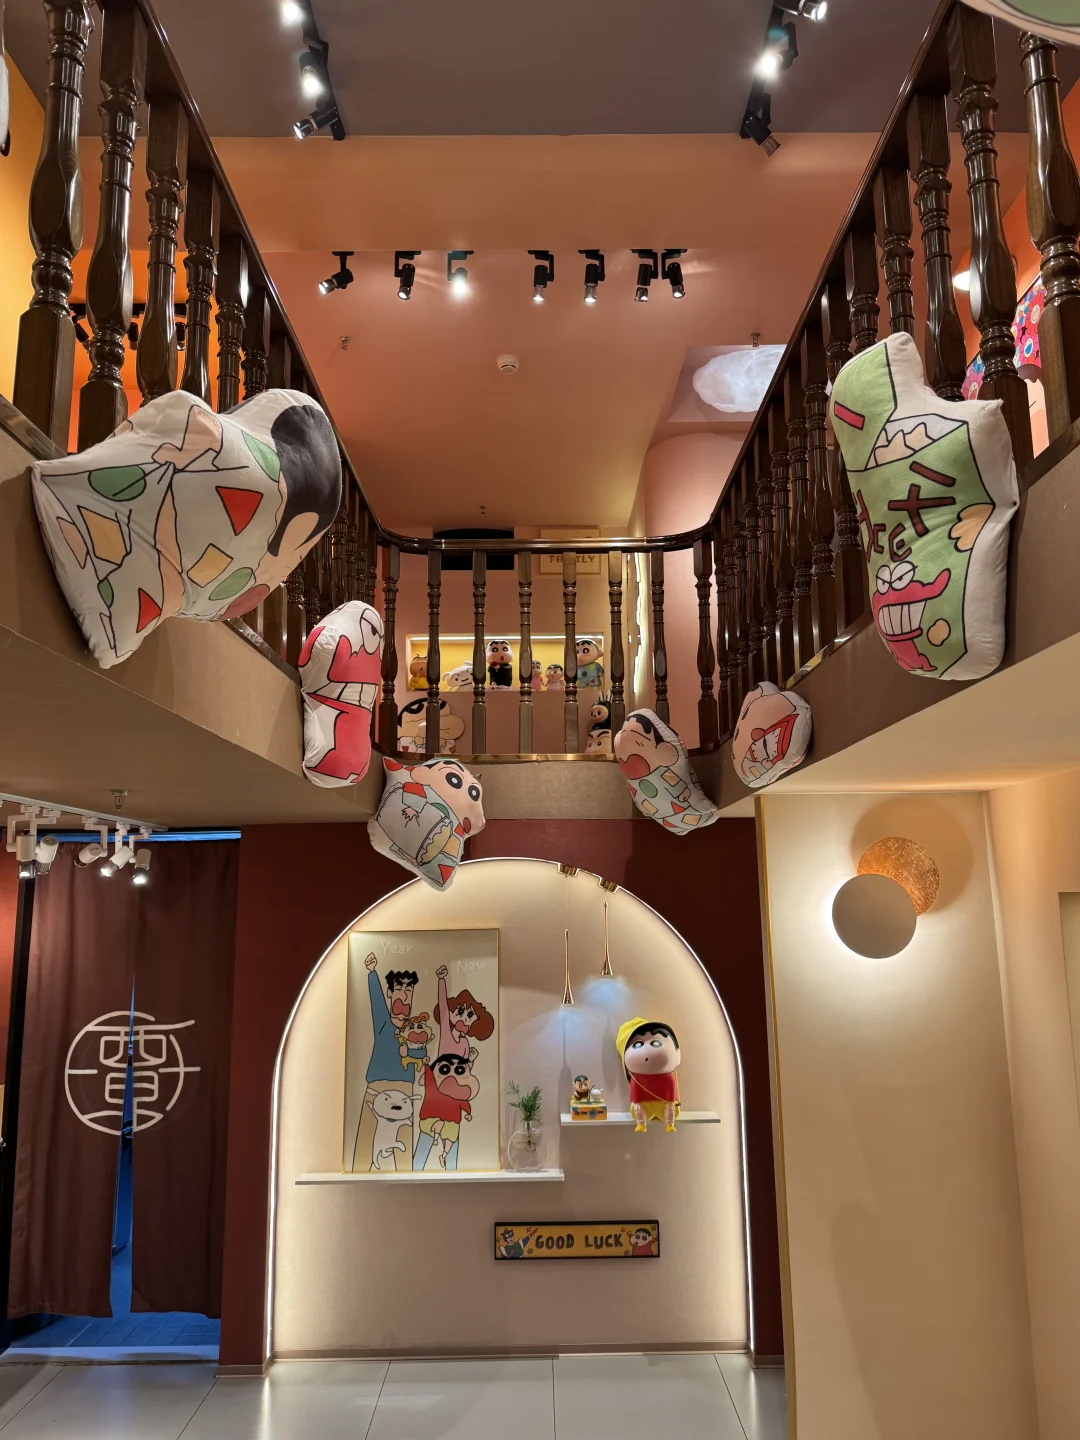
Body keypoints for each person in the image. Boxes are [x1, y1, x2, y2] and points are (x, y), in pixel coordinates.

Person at [434, 964, 495, 1057]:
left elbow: (465, 1065)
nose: (464, 1018)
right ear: (450, 1013)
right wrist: (441, 979)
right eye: (460, 1011)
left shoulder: (464, 1043)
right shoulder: (446, 1031)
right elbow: (443, 1004)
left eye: (470, 1015)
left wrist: (471, 1060)